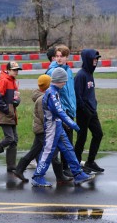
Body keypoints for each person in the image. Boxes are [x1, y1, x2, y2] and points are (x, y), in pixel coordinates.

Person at [31, 67, 95, 187]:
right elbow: (59, 112)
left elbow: (60, 113)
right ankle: (38, 176)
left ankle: (77, 173)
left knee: (68, 149)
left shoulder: (55, 92)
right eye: (64, 81)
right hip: (52, 128)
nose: (65, 83)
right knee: (48, 152)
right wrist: (73, 124)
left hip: (58, 127)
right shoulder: (51, 94)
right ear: (60, 81)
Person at [14, 74, 72, 184]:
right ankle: (59, 176)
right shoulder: (42, 99)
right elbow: (45, 117)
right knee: (53, 153)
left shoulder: (45, 96)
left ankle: (19, 169)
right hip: (43, 131)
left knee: (34, 151)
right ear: (48, 85)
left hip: (41, 129)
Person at [46, 44, 76, 177]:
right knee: (63, 142)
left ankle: (66, 167)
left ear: (67, 57)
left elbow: (71, 92)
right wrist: (62, 112)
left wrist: (73, 107)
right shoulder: (53, 72)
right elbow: (52, 95)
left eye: (62, 56)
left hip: (70, 110)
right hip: (61, 111)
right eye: (57, 56)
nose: (59, 59)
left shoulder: (68, 71)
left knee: (68, 141)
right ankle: (62, 168)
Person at [74, 49, 104, 173]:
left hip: (92, 111)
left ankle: (90, 162)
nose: (96, 61)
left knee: (98, 134)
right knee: (82, 138)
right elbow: (77, 96)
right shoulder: (80, 75)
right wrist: (85, 109)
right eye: (94, 59)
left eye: (97, 59)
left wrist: (94, 105)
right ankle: (75, 164)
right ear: (87, 59)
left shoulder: (90, 74)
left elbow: (90, 93)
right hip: (83, 112)